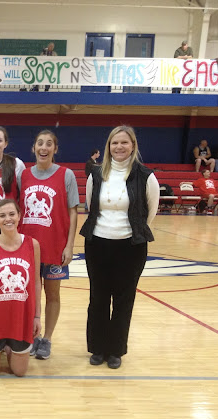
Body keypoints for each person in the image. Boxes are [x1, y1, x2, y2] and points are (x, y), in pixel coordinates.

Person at [80, 125, 160, 369]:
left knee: (124, 299)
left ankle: (115, 350)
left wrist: (131, 231)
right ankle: (97, 348)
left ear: (133, 146)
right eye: (114, 143)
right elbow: (91, 205)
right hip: (97, 243)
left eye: (124, 142)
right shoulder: (96, 174)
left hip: (131, 247)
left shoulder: (146, 176)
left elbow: (150, 211)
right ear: (108, 147)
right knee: (98, 297)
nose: (119, 147)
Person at [18, 130, 79, 360]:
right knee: (29, 296)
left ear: (55, 149)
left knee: (53, 294)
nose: (44, 147)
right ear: (34, 148)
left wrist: (69, 245)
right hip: (28, 247)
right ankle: (32, 335)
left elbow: (73, 212)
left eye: (49, 144)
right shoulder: (23, 175)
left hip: (55, 246)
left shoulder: (66, 175)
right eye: (40, 143)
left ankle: (47, 339)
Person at [0, 198, 41, 377]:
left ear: (19, 216)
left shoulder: (33, 244)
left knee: (19, 372)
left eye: (12, 214)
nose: (8, 219)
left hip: (21, 317)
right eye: (2, 215)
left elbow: (36, 282)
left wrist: (37, 316)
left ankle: (7, 348)